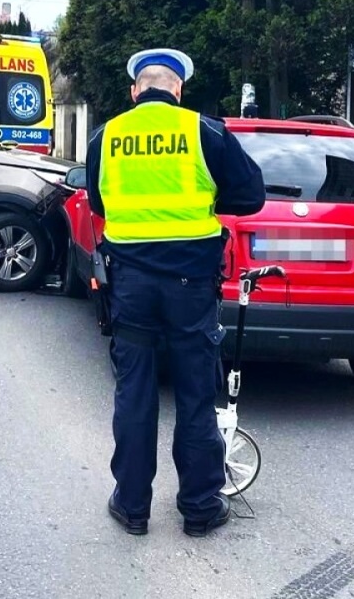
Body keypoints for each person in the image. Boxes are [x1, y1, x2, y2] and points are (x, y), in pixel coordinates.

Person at [85, 48, 266, 537]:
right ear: (178, 89)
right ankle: (201, 507)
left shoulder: (106, 136)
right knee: (195, 393)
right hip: (191, 285)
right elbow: (252, 196)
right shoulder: (203, 131)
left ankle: (132, 507)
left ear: (135, 91)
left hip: (131, 284)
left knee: (135, 392)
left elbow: (99, 201)